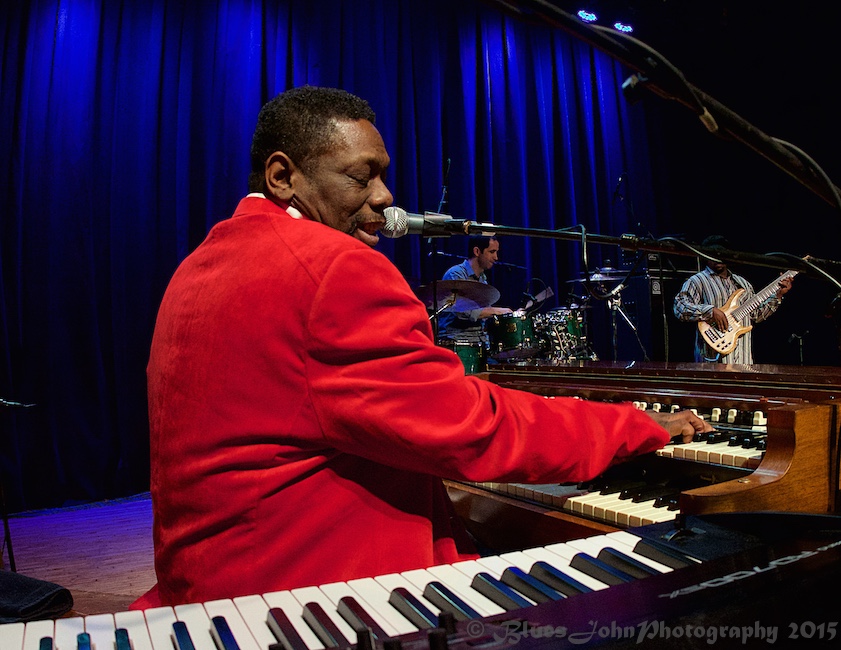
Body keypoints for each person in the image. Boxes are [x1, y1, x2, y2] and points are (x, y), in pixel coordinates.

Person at [134, 85, 712, 608]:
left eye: (383, 175)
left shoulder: (198, 267)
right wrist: (632, 425)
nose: (386, 197)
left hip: (207, 592)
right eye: (361, 178)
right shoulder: (332, 270)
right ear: (283, 176)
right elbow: (472, 428)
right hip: (318, 599)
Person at [673, 235, 794, 364]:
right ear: (705, 256)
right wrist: (710, 311)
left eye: (722, 253)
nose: (717, 258)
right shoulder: (698, 281)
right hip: (712, 360)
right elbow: (680, 307)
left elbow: (757, 315)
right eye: (712, 254)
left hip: (743, 360)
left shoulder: (743, 283)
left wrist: (778, 295)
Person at [435, 236, 513, 347]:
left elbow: (485, 313)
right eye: (492, 252)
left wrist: (511, 316)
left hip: (478, 340)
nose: (496, 257)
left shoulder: (482, 279)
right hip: (456, 340)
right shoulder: (456, 274)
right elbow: (464, 311)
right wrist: (498, 311)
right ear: (477, 251)